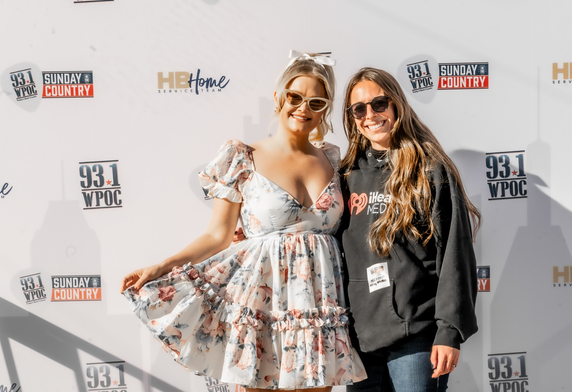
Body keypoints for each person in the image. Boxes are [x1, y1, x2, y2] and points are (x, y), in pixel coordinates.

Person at [120, 52, 367, 391]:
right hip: (261, 308)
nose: (303, 109)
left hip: (317, 308)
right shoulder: (243, 157)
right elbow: (217, 235)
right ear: (278, 97)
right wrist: (162, 266)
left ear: (325, 108)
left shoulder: (332, 159)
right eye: (295, 97)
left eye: (316, 102)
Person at [338, 68, 480, 392]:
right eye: (359, 109)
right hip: (359, 339)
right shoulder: (346, 176)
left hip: (416, 335)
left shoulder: (430, 169)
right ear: (352, 117)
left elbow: (455, 253)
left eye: (379, 103)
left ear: (396, 104)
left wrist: (449, 331)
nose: (370, 115)